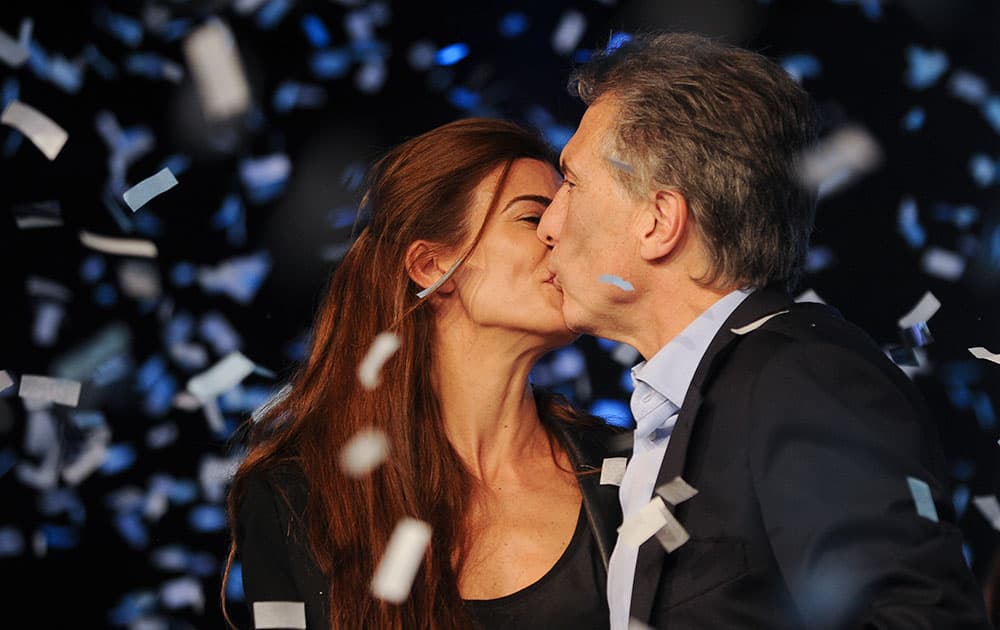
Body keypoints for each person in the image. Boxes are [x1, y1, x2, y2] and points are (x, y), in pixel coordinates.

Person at [537, 32, 992, 629]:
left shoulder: (802, 377)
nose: (548, 223)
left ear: (658, 221)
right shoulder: (688, 409)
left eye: (570, 182)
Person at [221, 118, 627, 630]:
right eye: (532, 218)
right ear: (432, 266)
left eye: (570, 219)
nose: (560, 236)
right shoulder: (296, 499)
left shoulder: (626, 472)